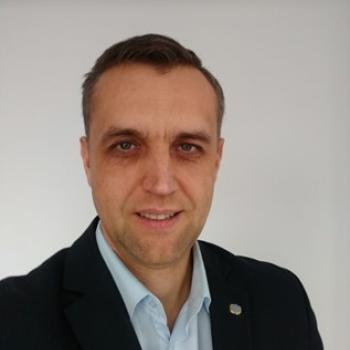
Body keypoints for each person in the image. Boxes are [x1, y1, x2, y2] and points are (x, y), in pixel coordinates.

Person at [0, 34, 323, 350]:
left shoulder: (281, 301)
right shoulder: (11, 322)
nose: (161, 185)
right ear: (88, 160)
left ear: (216, 160)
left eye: (187, 147)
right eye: (125, 146)